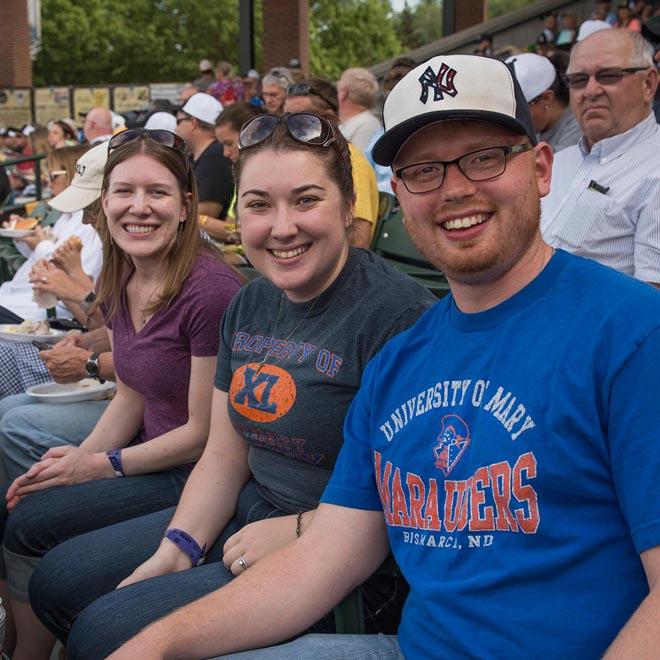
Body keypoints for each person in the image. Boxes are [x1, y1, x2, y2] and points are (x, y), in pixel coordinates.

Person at [80, 52, 660, 660]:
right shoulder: (402, 360)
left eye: (484, 157)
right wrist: (161, 644)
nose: (455, 188)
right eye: (423, 171)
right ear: (398, 196)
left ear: (541, 168)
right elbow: (322, 559)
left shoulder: (630, 335)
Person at [30, 112, 436, 660]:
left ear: (347, 206)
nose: (282, 227)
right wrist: (176, 549)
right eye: (259, 204)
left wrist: (298, 528)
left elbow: (418, 502)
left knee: (106, 632)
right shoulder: (253, 301)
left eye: (306, 200)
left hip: (344, 565)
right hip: (246, 513)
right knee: (57, 581)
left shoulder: (397, 317)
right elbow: (224, 453)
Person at [0, 128, 242, 660]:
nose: (139, 207)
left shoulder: (210, 291)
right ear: (104, 202)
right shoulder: (123, 271)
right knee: (25, 506)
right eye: (124, 192)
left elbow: (202, 435)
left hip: (197, 478)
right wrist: (78, 459)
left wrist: (100, 465)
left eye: (156, 192)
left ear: (185, 206)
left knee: (39, 536)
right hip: (151, 457)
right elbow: (131, 394)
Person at [541, 29, 660, 284]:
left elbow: (652, 303)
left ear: (648, 84)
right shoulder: (561, 160)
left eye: (608, 76)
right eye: (579, 80)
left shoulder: (655, 170)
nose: (591, 91)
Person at [285, 78, 379, 249]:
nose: (289, 126)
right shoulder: (305, 160)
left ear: (330, 118)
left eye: (303, 117)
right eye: (286, 117)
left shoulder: (350, 161)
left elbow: (359, 241)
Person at [506, 52, 581, 152]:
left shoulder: (578, 128)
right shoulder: (540, 128)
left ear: (547, 99)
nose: (514, 118)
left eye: (519, 110)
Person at [176, 93, 234, 219]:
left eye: (179, 121)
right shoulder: (196, 156)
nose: (176, 128)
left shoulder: (216, 156)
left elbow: (206, 212)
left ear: (193, 122)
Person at [337, 68, 382, 151]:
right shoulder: (364, 123)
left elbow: (358, 162)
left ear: (344, 93)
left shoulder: (367, 126)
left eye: (338, 89)